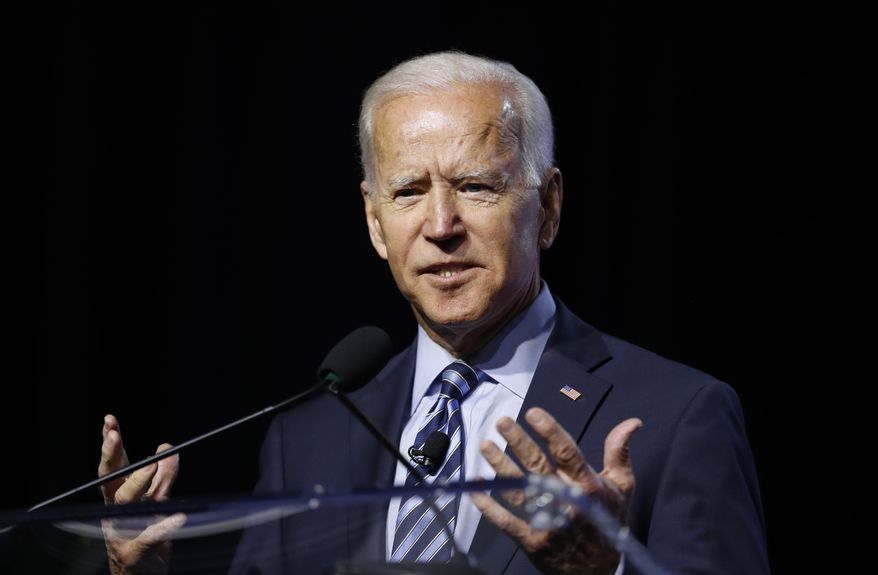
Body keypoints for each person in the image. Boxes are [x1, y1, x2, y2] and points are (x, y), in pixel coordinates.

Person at [98, 51, 770, 574]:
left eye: (476, 186)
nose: (440, 224)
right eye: (409, 191)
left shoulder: (679, 417)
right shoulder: (306, 440)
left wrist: (605, 569)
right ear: (373, 221)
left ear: (549, 207)